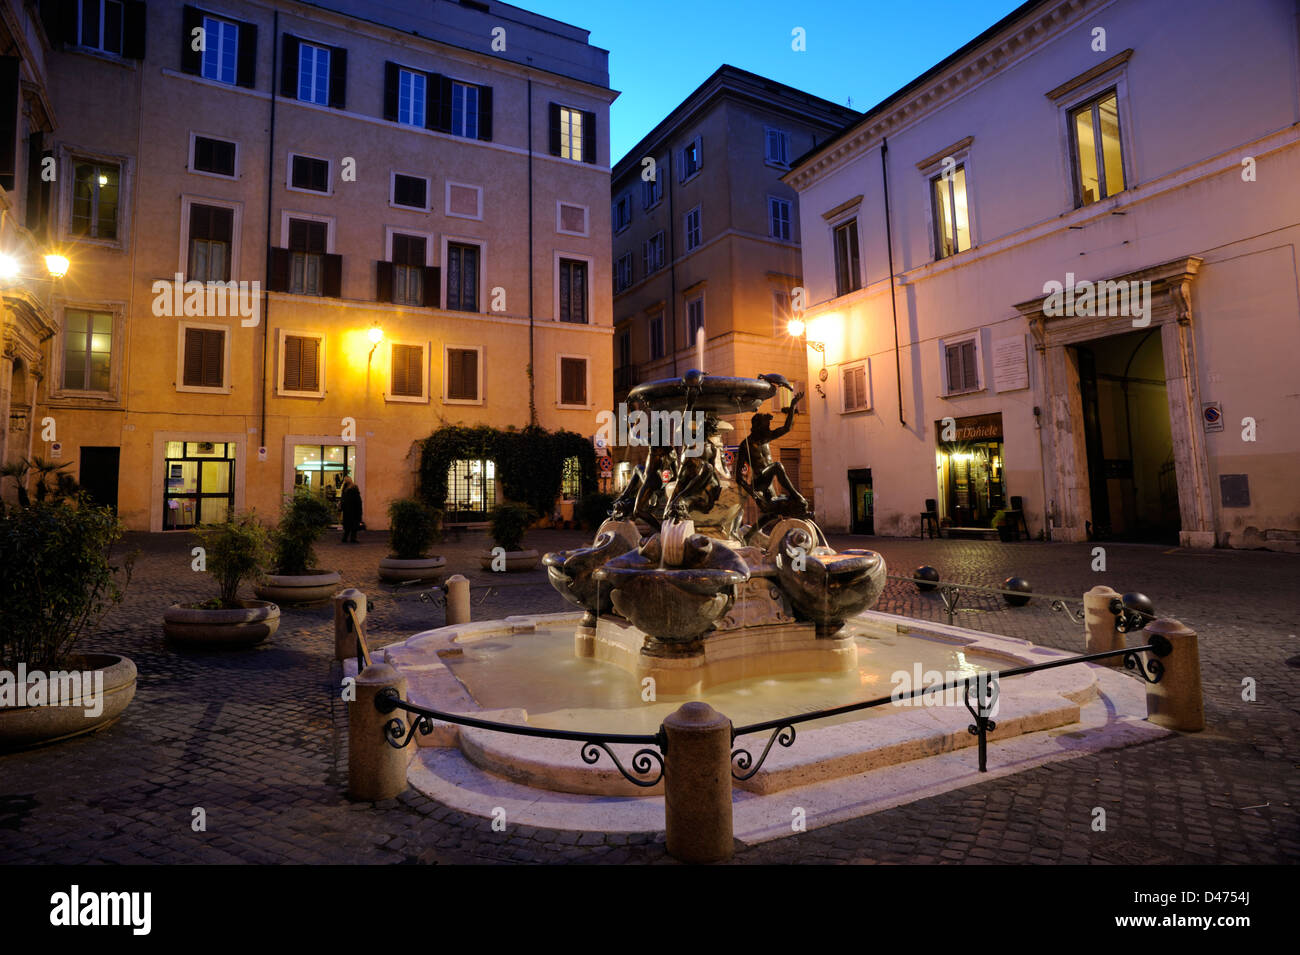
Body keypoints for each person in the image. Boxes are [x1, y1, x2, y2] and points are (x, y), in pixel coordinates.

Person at [340, 477, 363, 543]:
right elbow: (358, 501)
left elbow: (343, 499)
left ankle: (345, 538)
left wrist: (342, 507)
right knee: (354, 525)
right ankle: (352, 538)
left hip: (347, 510)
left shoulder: (345, 489)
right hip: (354, 510)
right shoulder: (354, 488)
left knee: (347, 525)